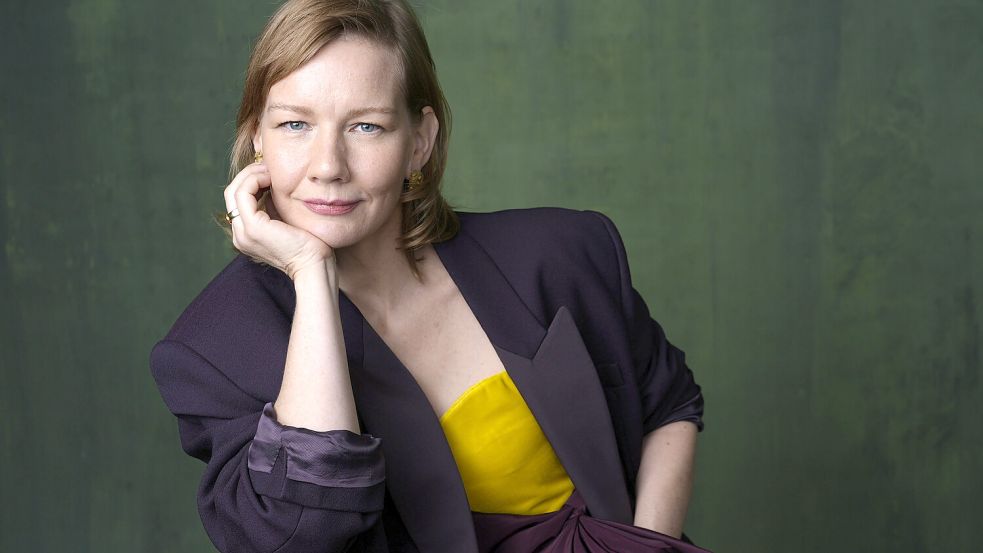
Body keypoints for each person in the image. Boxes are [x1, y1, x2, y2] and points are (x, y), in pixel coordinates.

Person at [150, 1, 708, 552]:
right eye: (295, 124)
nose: (328, 165)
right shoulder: (211, 349)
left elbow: (669, 406)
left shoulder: (561, 252)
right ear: (257, 139)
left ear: (419, 140)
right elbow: (304, 538)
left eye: (366, 126)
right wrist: (311, 273)